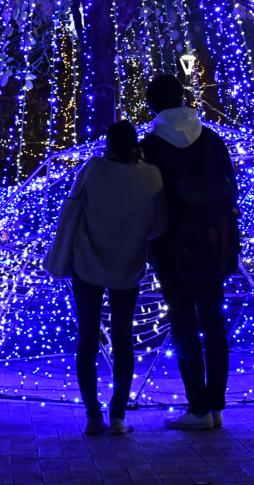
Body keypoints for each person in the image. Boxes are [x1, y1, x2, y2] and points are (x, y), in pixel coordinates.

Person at [43, 120, 167, 436]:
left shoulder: (93, 169)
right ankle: (119, 416)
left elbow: (71, 210)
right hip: (128, 265)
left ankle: (92, 415)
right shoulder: (151, 175)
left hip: (87, 264)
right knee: (123, 340)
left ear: (108, 143)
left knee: (87, 339)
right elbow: (159, 227)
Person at [139, 74, 239, 432]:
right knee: (213, 321)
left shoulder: (150, 145)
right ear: (183, 99)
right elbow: (231, 188)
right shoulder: (212, 139)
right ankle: (215, 407)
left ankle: (197, 406)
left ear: (153, 104)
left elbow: (145, 197)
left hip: (172, 245)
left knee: (183, 323)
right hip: (215, 243)